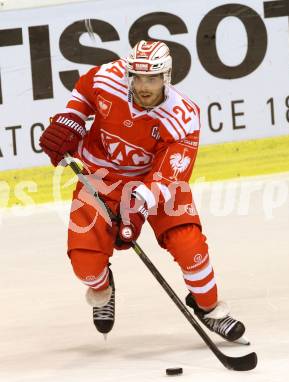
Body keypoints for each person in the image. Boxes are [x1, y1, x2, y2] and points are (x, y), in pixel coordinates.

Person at [39, 40, 246, 342]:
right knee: (86, 267)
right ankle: (103, 288)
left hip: (155, 185)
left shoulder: (182, 117)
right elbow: (85, 88)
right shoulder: (109, 78)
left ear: (166, 77)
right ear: (129, 74)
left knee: (191, 248)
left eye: (152, 78)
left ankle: (209, 308)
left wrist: (133, 209)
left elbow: (169, 174)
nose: (144, 86)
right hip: (100, 178)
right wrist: (73, 117)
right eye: (137, 77)